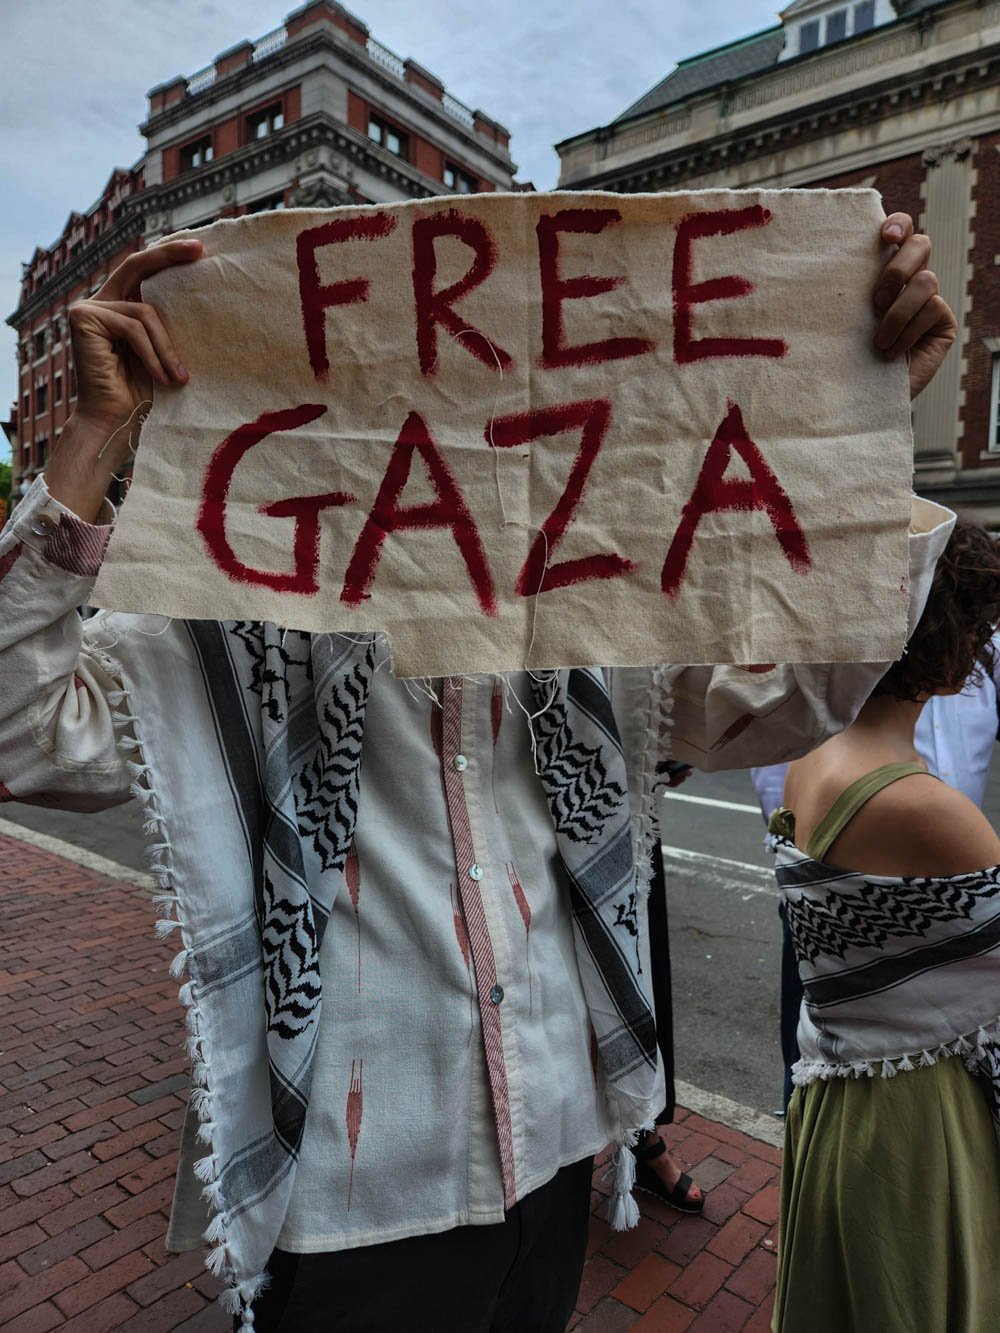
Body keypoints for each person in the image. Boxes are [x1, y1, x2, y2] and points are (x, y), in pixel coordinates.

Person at [0, 213, 956, 1332]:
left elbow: (797, 696)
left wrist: (865, 426)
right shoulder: (236, 627)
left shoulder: (586, 624)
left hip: (555, 1144)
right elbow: (19, 732)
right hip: (361, 1191)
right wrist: (89, 442)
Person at [767, 521, 1000, 1333]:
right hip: (916, 1121)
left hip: (832, 1096)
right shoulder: (931, 812)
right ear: (948, 642)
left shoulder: (806, 758)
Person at [753, 635, 1000, 1110]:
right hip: (911, 1106)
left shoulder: (816, 752)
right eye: (976, 623)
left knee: (821, 1054)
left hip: (845, 1095)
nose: (982, 645)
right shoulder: (924, 807)